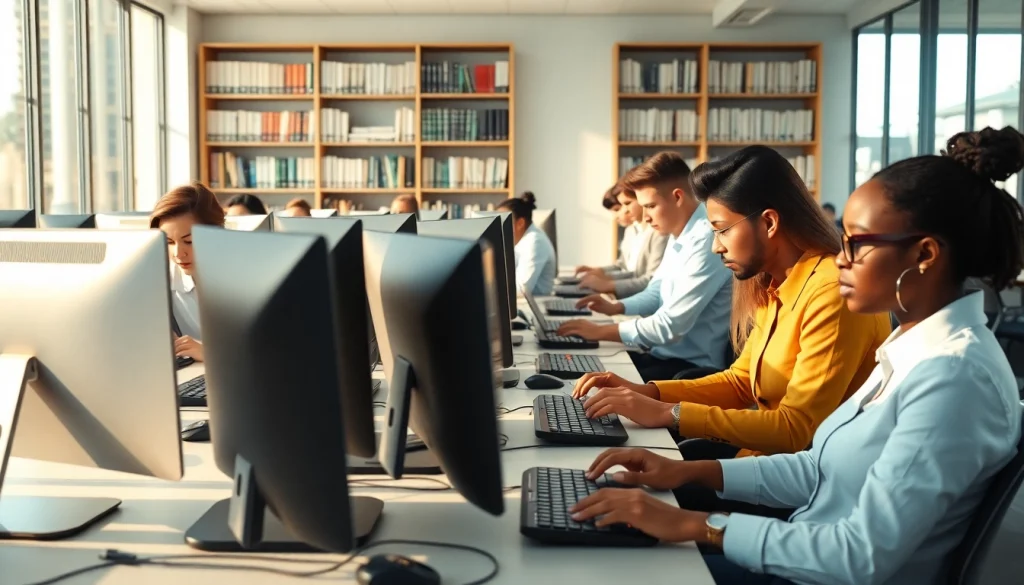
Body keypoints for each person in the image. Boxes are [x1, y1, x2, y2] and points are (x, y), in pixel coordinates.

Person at [569, 127, 1024, 585]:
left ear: (924, 255)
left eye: (857, 243)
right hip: (803, 540)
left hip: (818, 569)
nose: (840, 258)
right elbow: (818, 468)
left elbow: (859, 557)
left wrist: (695, 525)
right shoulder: (910, 347)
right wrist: (685, 472)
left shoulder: (953, 378)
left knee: (620, 567)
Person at [572, 146, 891, 464]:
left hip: (804, 478)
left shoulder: (830, 293)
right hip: (762, 456)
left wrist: (670, 413)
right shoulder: (774, 282)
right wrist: (646, 392)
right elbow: (740, 383)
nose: (715, 247)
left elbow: (796, 429)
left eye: (722, 230)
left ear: (768, 223)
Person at [557, 152, 732, 382]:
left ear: (677, 197)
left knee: (589, 387)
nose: (645, 218)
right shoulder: (679, 233)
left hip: (690, 370)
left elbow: (669, 326)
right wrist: (616, 307)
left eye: (650, 206)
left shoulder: (706, 240)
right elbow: (654, 291)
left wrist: (600, 332)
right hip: (662, 356)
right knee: (579, 372)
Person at [150, 182, 227, 362]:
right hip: (195, 376)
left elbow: (269, 353)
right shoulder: (159, 282)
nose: (178, 254)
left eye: (189, 241)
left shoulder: (245, 280)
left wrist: (210, 353)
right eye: (169, 242)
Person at [575, 185, 669, 298]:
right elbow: (623, 266)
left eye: (626, 204)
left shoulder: (659, 233)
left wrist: (608, 283)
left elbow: (650, 279)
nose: (624, 211)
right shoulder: (631, 231)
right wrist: (600, 273)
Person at [497, 191, 556, 296]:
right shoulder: (521, 241)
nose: (498, 227)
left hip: (536, 305)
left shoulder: (535, 242)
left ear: (520, 223)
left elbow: (520, 289)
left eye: (502, 221)